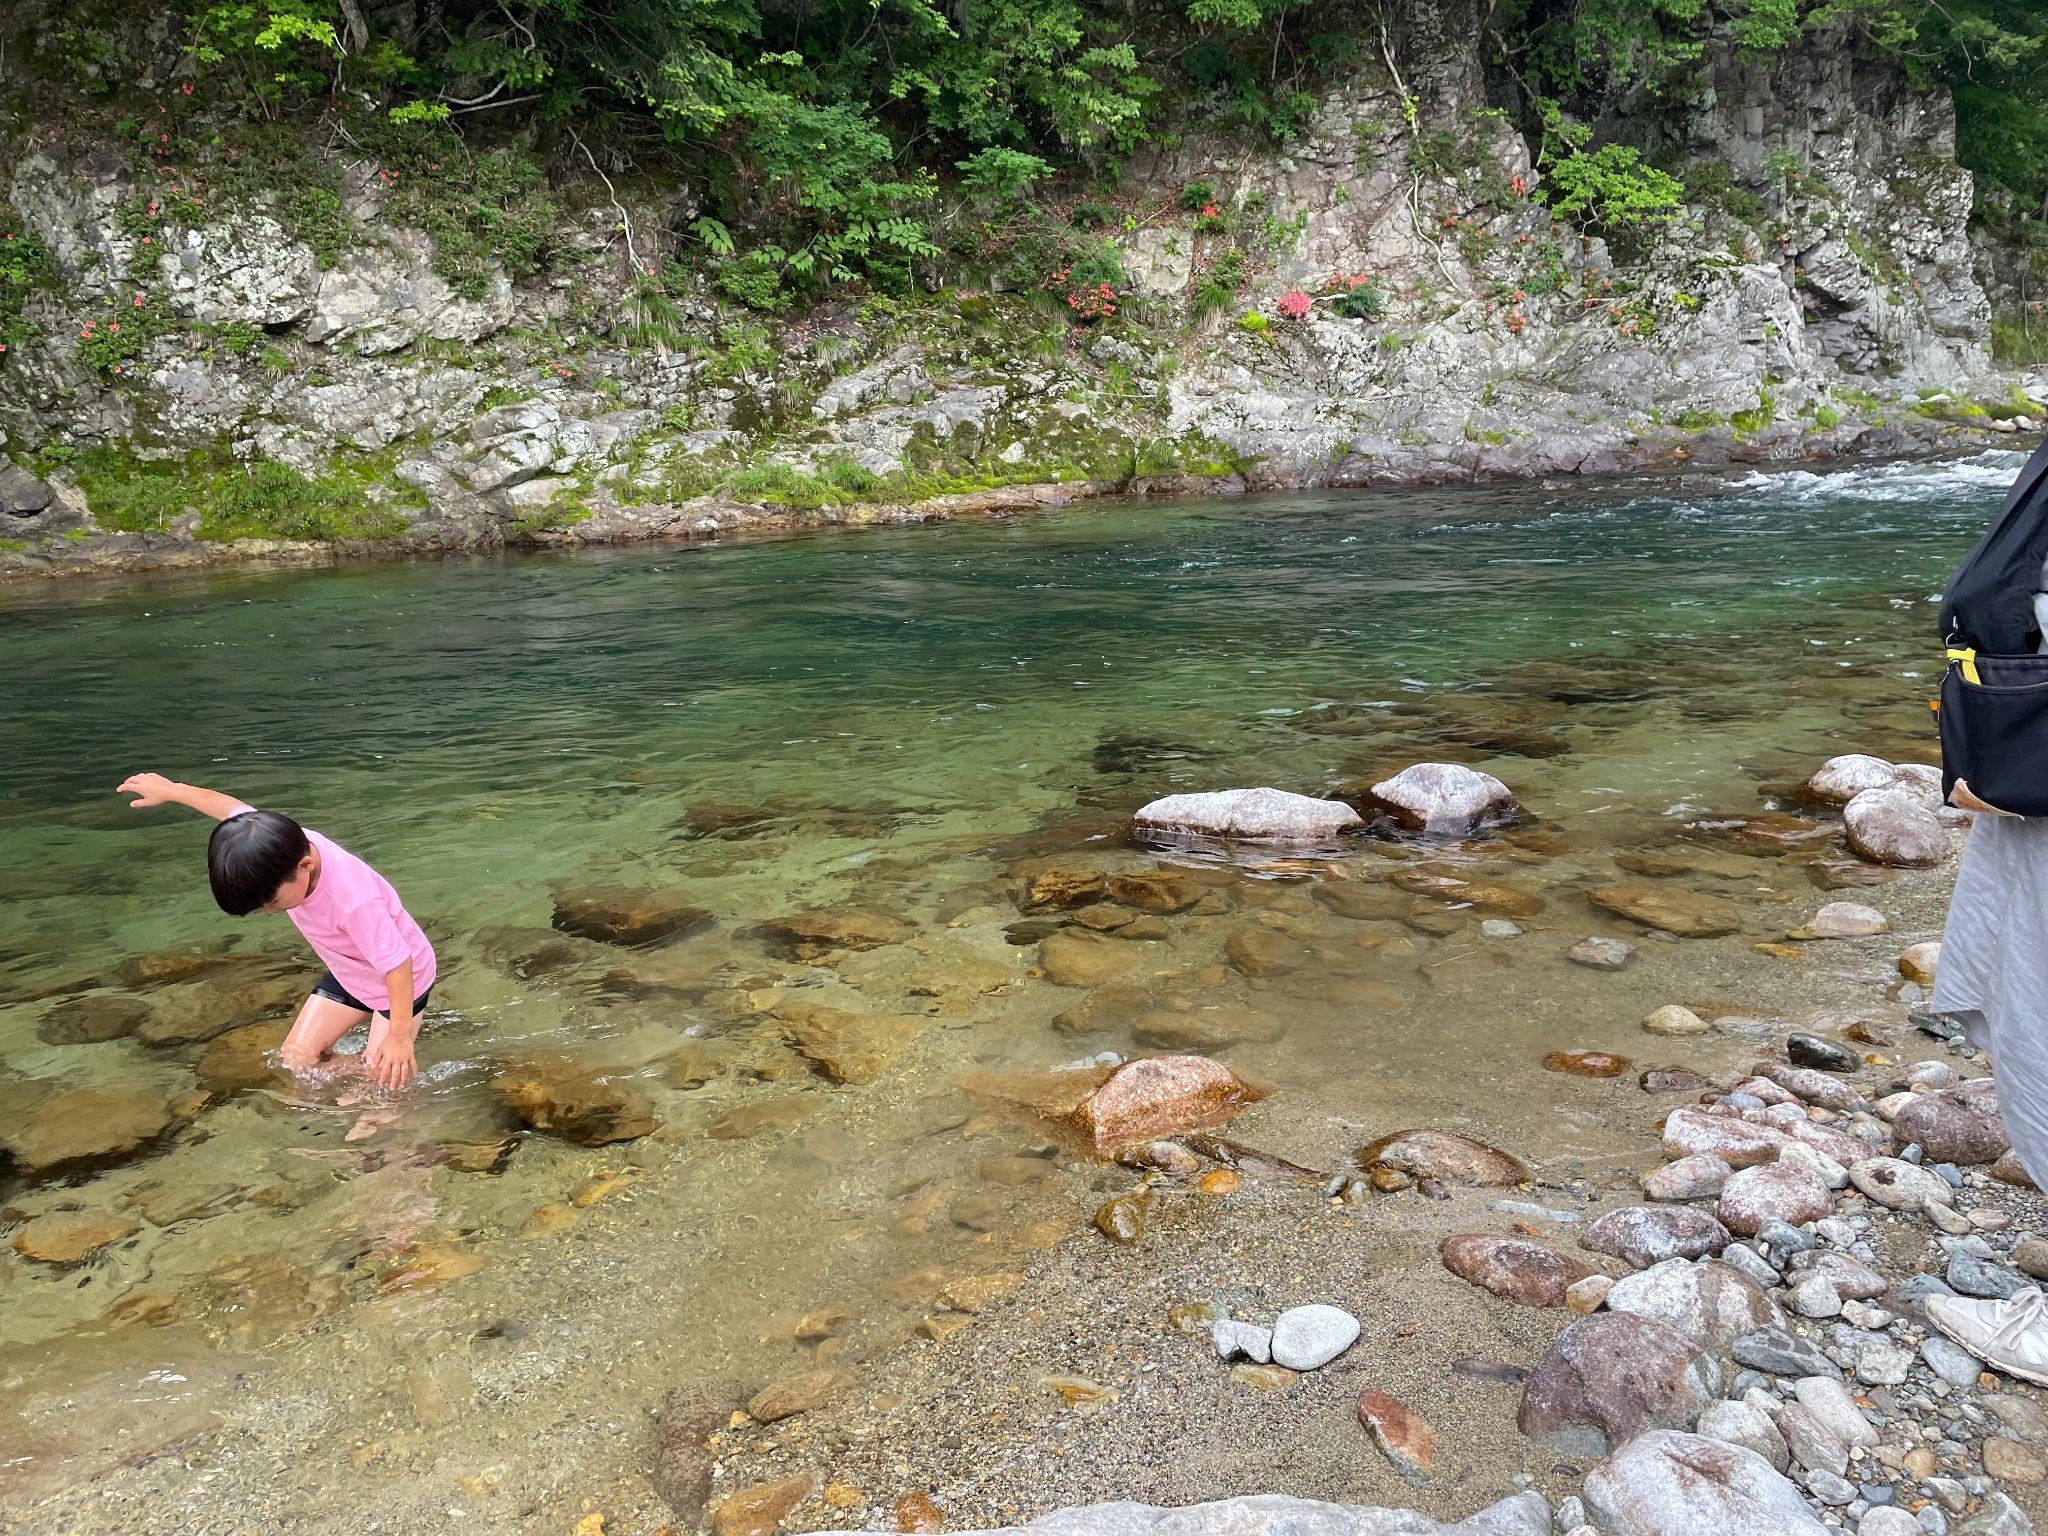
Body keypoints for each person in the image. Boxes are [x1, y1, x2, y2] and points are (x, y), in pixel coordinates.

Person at [117, 772, 437, 1090]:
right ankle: (370, 1066)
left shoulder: (354, 900)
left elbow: (397, 964)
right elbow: (228, 809)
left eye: (272, 901)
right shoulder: (277, 843)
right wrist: (173, 791)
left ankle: (388, 1070)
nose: (270, 911)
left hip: (398, 980)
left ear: (305, 867)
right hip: (350, 970)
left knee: (380, 1086)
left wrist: (397, 1038)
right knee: (295, 1062)